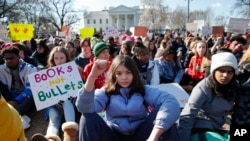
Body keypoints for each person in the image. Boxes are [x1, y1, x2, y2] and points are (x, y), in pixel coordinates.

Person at [76, 55, 180, 141]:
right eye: (119, 73)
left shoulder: (143, 90)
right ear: (113, 75)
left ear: (134, 74)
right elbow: (84, 108)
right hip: (114, 136)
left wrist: (154, 136)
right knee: (87, 117)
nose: (124, 77)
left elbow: (170, 101)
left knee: (167, 116)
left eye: (128, 72)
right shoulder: (107, 92)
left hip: (141, 135)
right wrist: (92, 76)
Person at [178, 52, 239, 141]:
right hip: (201, 128)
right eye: (222, 71)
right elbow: (187, 116)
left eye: (230, 72)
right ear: (214, 71)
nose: (225, 75)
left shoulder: (235, 86)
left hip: (219, 128)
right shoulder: (203, 88)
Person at [31, 47, 78, 141]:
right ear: (52, 59)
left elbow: (77, 94)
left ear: (66, 58)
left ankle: (70, 136)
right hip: (54, 106)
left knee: (66, 102)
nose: (59, 61)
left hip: (69, 104)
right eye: (56, 58)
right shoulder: (46, 75)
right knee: (53, 121)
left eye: (62, 58)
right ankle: (50, 139)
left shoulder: (73, 70)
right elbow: (45, 96)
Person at [0, 46, 38, 129]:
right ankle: (20, 117)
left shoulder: (30, 68)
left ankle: (15, 115)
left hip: (24, 96)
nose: (9, 61)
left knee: (34, 94)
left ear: (19, 57)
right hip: (9, 96)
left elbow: (30, 88)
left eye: (12, 58)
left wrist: (16, 101)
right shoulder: (1, 69)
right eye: (7, 59)